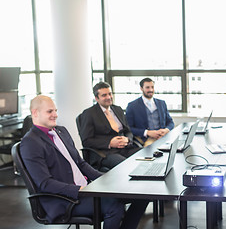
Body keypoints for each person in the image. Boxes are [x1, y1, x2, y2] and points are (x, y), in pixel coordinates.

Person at [20, 95, 148, 229]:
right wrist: (79, 190)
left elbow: (80, 164)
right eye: (50, 111)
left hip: (86, 189)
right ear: (35, 113)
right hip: (65, 199)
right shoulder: (30, 143)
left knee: (140, 196)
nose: (55, 115)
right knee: (114, 206)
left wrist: (105, 179)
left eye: (56, 111)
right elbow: (44, 183)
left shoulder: (61, 131)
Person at [78, 82, 140, 169]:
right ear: (97, 98)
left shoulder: (118, 109)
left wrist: (127, 139)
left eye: (110, 94)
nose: (108, 97)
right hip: (105, 152)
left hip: (125, 148)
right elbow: (86, 141)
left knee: (145, 156)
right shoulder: (89, 114)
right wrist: (109, 143)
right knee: (126, 165)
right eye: (104, 95)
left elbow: (128, 131)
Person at [126, 78, 174, 146]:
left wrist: (166, 130)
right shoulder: (132, 106)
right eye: (147, 87)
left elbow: (170, 122)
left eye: (152, 87)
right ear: (141, 88)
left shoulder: (162, 103)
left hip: (163, 137)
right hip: (147, 139)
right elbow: (129, 128)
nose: (151, 90)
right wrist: (147, 132)